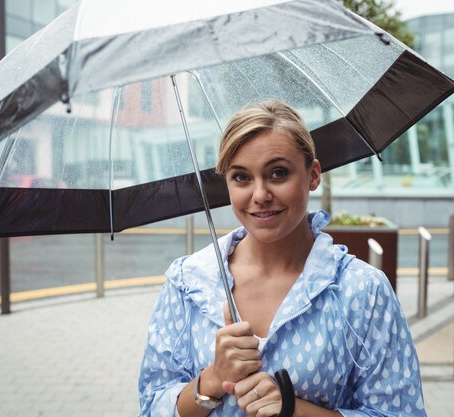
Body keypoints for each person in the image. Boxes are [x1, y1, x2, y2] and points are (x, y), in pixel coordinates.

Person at [138, 99, 426, 417]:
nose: (260, 195)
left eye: (278, 173)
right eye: (241, 177)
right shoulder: (188, 282)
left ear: (313, 175)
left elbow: (400, 413)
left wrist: (293, 409)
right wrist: (211, 381)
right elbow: (152, 406)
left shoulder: (362, 291)